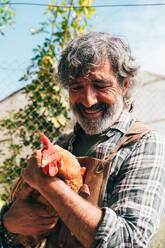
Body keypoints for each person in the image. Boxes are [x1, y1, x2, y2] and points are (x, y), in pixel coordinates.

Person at [1, 32, 165, 248]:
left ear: (124, 85)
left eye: (100, 85)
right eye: (77, 87)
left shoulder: (143, 144)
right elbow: (19, 235)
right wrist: (8, 224)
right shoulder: (62, 143)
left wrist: (47, 184)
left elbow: (129, 241)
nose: (88, 101)